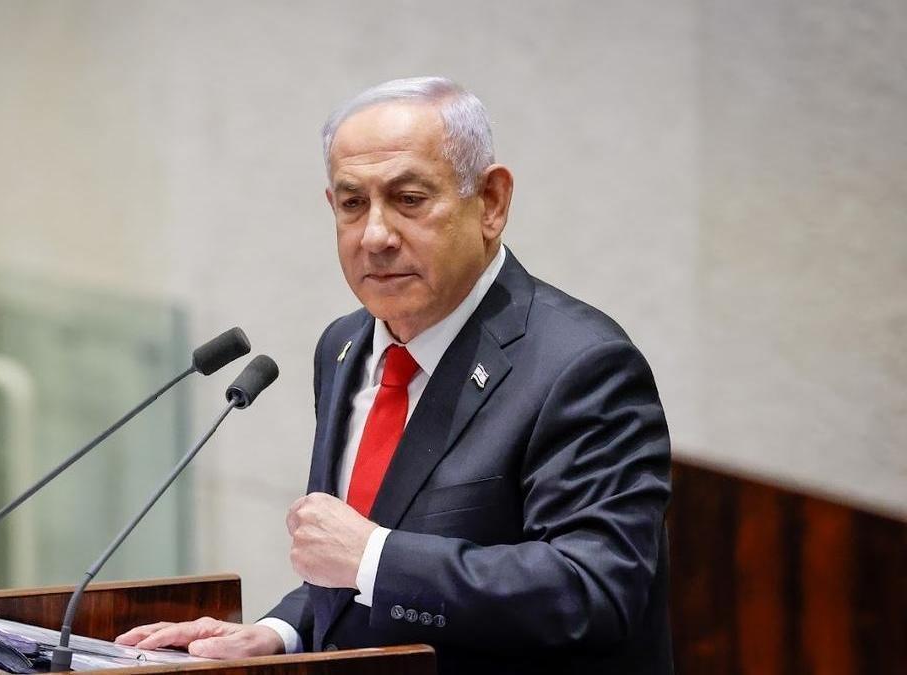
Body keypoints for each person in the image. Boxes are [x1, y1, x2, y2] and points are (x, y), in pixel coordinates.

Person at [116, 77, 673, 674]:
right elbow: (356, 566)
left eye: (409, 200)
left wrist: (374, 558)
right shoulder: (345, 345)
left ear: (490, 203)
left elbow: (593, 591)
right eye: (354, 204)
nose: (375, 236)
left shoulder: (581, 365)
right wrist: (281, 633)